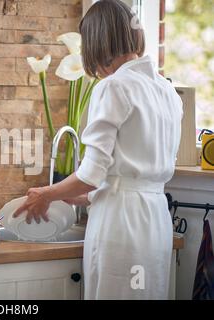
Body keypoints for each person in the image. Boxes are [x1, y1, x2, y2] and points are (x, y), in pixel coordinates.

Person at [14, 0, 183, 299]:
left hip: (121, 226)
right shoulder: (167, 90)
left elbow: (92, 174)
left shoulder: (114, 87)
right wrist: (73, 196)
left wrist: (47, 194)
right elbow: (124, 176)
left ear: (95, 43)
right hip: (156, 221)